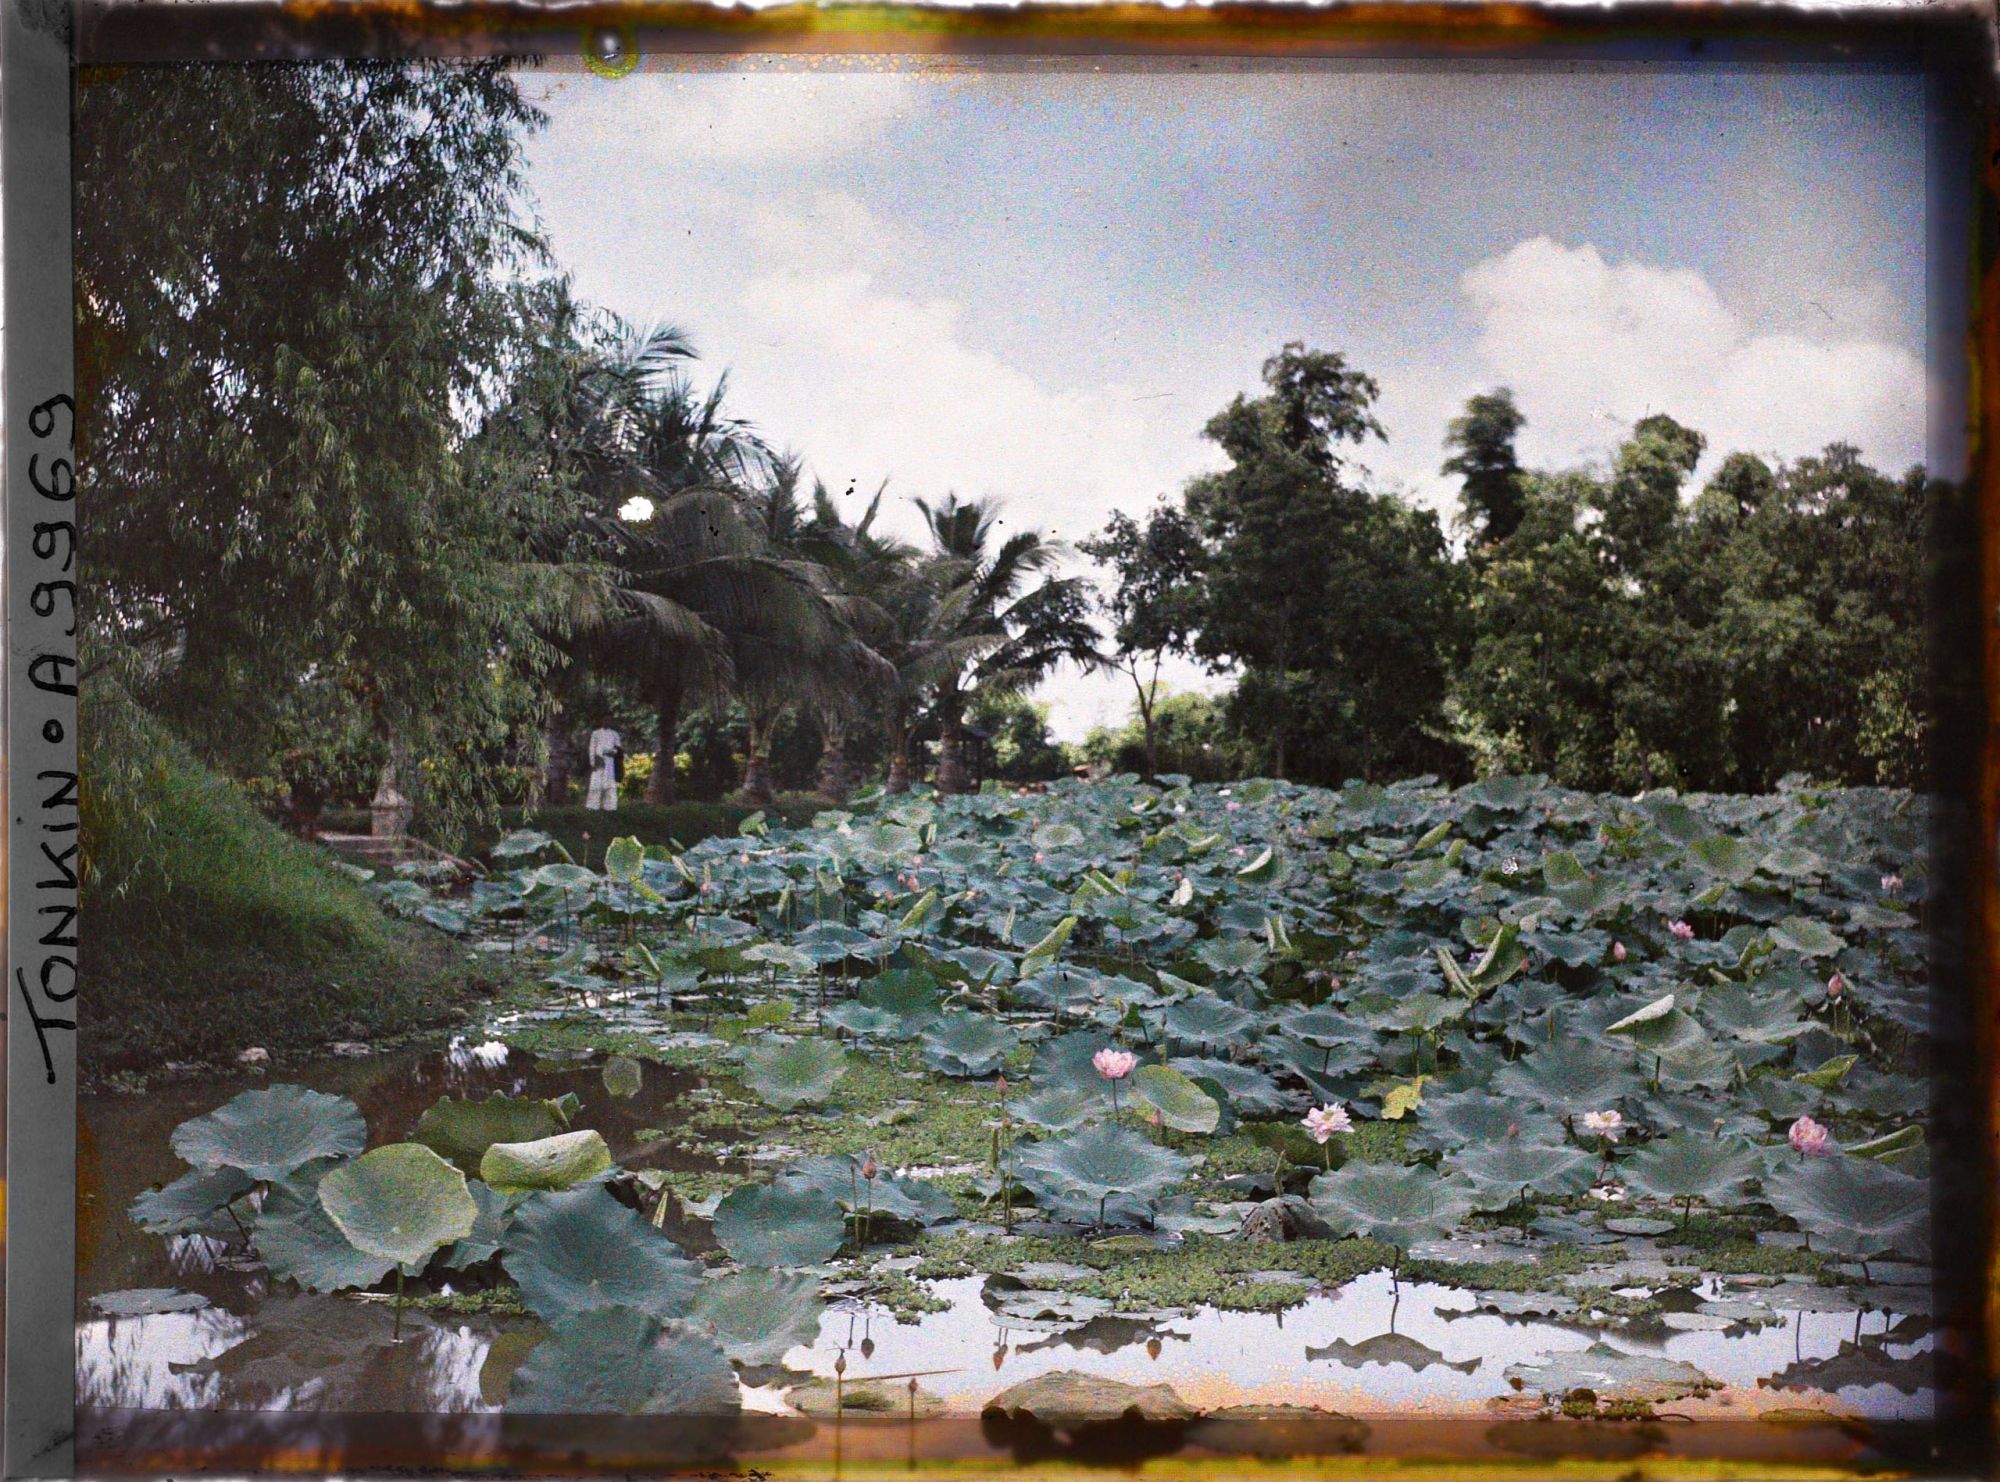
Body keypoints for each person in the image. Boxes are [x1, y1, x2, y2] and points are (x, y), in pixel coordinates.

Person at [586, 723, 622, 811]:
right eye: (605, 719)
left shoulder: (614, 734)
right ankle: (592, 806)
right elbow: (592, 748)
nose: (607, 721)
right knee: (596, 783)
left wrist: (613, 752)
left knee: (610, 784)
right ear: (602, 720)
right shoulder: (596, 733)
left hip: (610, 762)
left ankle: (610, 807)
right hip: (598, 760)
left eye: (609, 719)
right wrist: (592, 763)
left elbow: (618, 748)